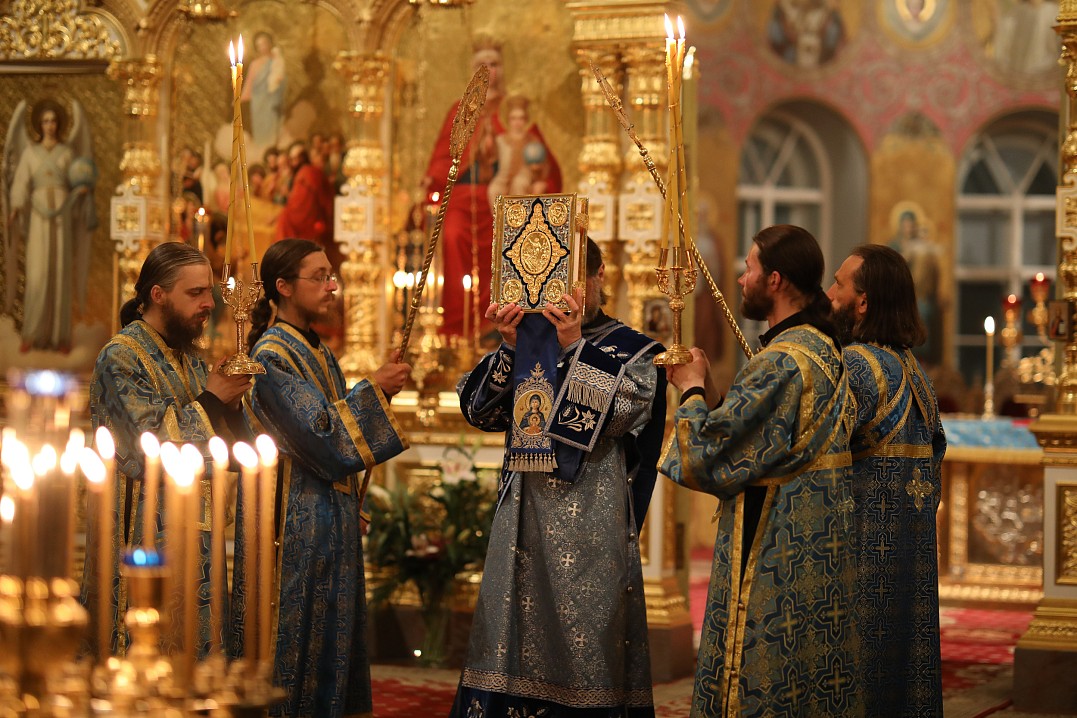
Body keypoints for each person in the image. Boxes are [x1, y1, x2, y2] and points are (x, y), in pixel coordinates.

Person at [450, 238, 666, 718]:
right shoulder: (527, 342)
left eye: (570, 280)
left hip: (592, 521)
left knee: (586, 641)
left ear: (598, 276)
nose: (558, 294)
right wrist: (510, 347)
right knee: (510, 635)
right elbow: (478, 411)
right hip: (521, 520)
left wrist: (574, 347)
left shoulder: (632, 348)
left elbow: (619, 416)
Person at [660, 224, 862, 717]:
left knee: (760, 676)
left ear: (775, 280)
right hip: (817, 543)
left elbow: (707, 457)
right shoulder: (824, 349)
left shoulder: (780, 362)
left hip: (772, 541)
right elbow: (756, 439)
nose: (741, 278)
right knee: (807, 674)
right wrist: (712, 390)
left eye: (749, 268)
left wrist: (689, 388)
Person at [239, 238, 411, 718]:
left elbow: (336, 428)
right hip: (292, 525)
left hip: (329, 520)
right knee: (296, 644)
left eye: (332, 275)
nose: (332, 286)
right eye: (319, 277)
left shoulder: (317, 350)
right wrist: (374, 389)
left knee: (332, 647)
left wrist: (355, 505)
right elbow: (322, 436)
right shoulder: (271, 356)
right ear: (283, 286)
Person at [83, 241, 253, 656]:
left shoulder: (191, 359)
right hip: (141, 541)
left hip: (199, 537)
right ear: (158, 294)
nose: (209, 303)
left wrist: (231, 406)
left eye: (209, 291)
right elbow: (150, 447)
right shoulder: (120, 357)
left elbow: (226, 450)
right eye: (195, 293)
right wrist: (213, 400)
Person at [826, 244, 946, 717]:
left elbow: (815, 446)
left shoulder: (857, 365)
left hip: (860, 551)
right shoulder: (915, 371)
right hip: (909, 557)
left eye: (839, 284)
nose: (829, 293)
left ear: (863, 302)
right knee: (903, 671)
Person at [422, 37, 562, 338]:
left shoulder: (515, 110)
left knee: (514, 235)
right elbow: (442, 160)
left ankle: (504, 321)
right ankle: (458, 328)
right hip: (463, 198)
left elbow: (541, 159)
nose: (488, 71)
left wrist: (538, 177)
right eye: (481, 65)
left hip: (507, 197)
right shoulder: (460, 111)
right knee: (453, 233)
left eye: (494, 64)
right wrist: (431, 181)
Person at [5, 98, 98, 353]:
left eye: (53, 121)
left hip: (62, 214)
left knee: (59, 271)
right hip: (38, 216)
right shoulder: (30, 153)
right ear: (39, 124)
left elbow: (78, 178)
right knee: (38, 273)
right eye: (45, 121)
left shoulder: (67, 153)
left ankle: (60, 337)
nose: (49, 125)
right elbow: (21, 182)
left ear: (58, 124)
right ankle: (31, 334)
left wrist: (81, 190)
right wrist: (15, 208)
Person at [275, 141, 336, 261]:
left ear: (301, 159)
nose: (292, 163)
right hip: (318, 218)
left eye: (294, 160)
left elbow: (299, 206)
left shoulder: (306, 174)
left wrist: (286, 210)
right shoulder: (308, 172)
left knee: (284, 221)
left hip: (312, 223)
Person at [242, 31, 285, 151]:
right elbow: (249, 83)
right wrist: (240, 99)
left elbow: (281, 81)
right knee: (260, 131)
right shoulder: (255, 64)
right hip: (258, 102)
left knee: (272, 129)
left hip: (272, 101)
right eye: (259, 45)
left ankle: (272, 151)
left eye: (265, 43)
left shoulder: (277, 62)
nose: (263, 47)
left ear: (270, 43)